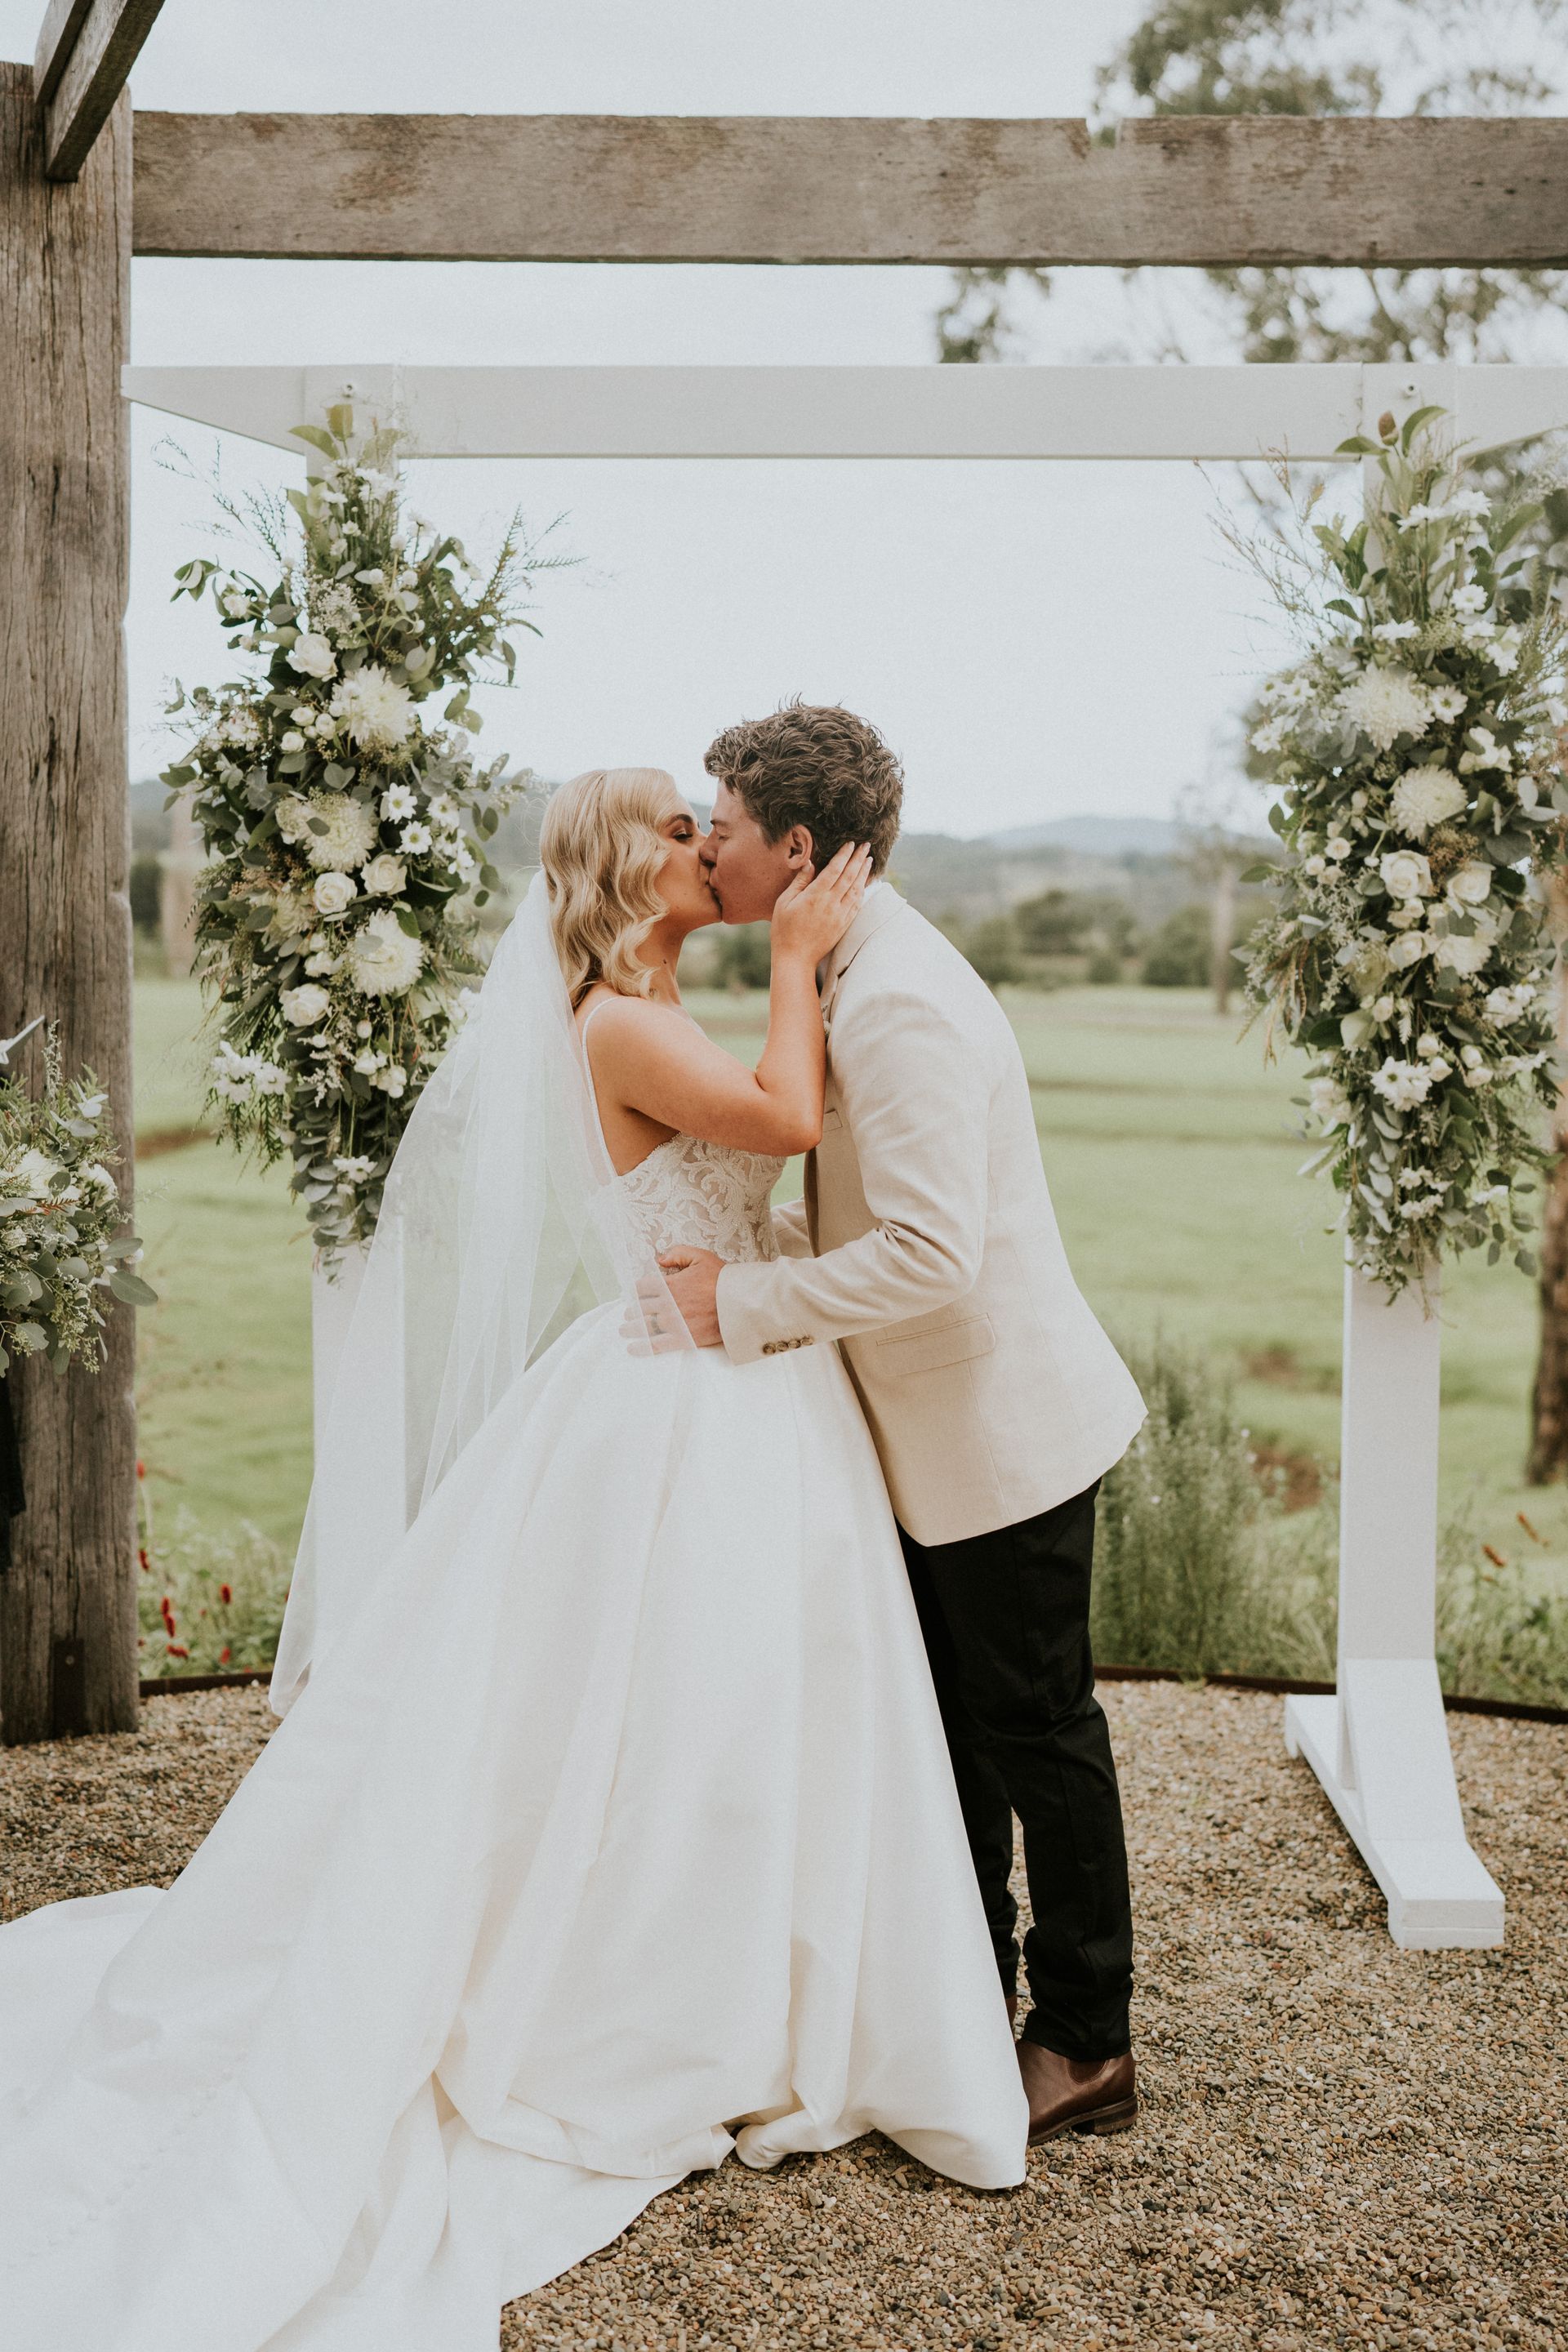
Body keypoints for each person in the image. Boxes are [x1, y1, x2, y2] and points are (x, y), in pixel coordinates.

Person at [0, 767, 1027, 2352]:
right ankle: (649, 2002)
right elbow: (784, 1122)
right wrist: (805, 966)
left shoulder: (655, 997)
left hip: (750, 1382)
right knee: (660, 1710)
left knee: (763, 1706)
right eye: (682, 831)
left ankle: (777, 1986)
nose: (708, 847)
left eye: (710, 825)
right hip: (673, 1401)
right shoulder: (618, 1017)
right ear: (628, 865)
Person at [657, 703, 1147, 2144]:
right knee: (956, 1739)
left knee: (1039, 1734)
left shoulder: (901, 1001)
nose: (710, 843)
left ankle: (1086, 2038)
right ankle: (960, 2002)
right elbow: (867, 1203)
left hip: (1002, 1442)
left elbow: (934, 1251)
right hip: (931, 1441)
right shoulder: (850, 971)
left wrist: (746, 1298)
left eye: (728, 825)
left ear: (798, 848)